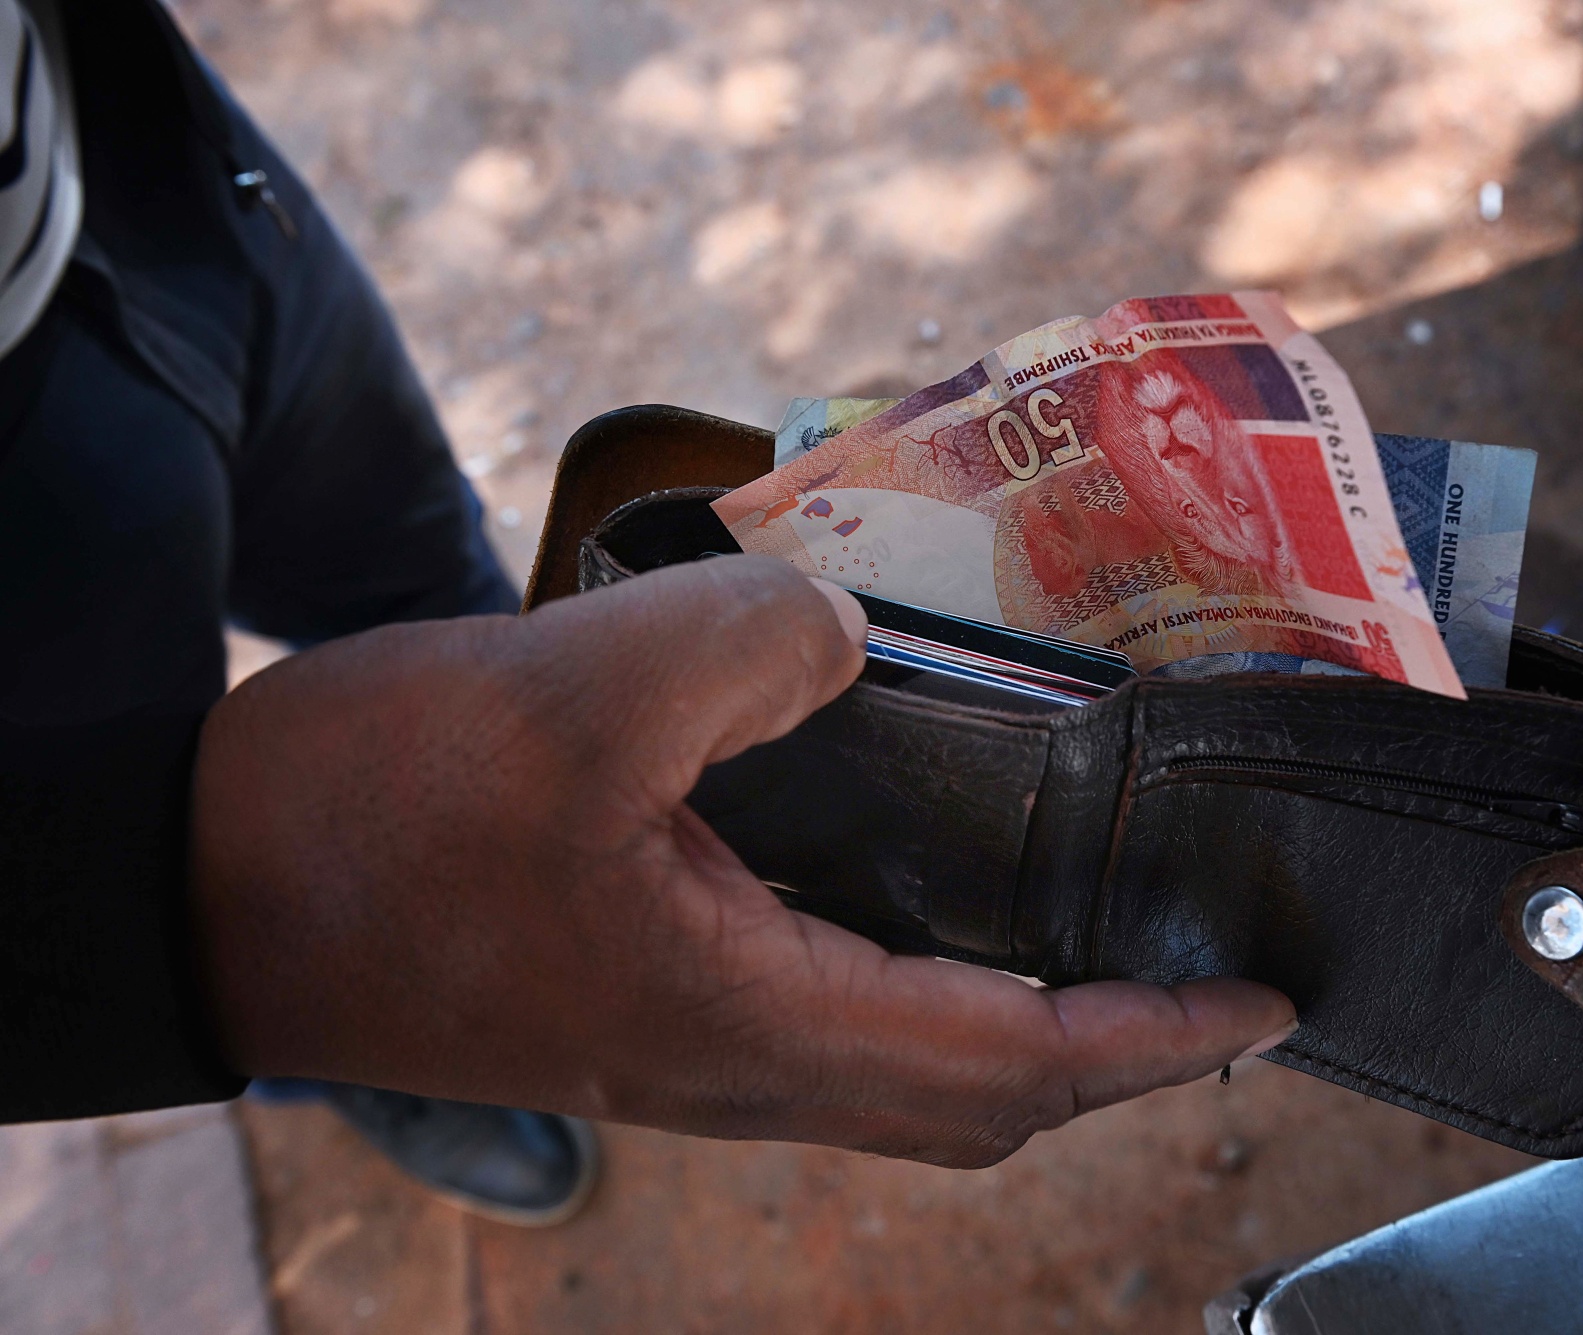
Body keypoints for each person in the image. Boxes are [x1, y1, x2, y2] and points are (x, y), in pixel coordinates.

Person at [0, 0, 1297, 1224]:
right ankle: (361, 1053)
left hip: (138, 161)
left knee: (426, 588)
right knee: (164, 788)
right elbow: (149, 873)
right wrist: (237, 930)